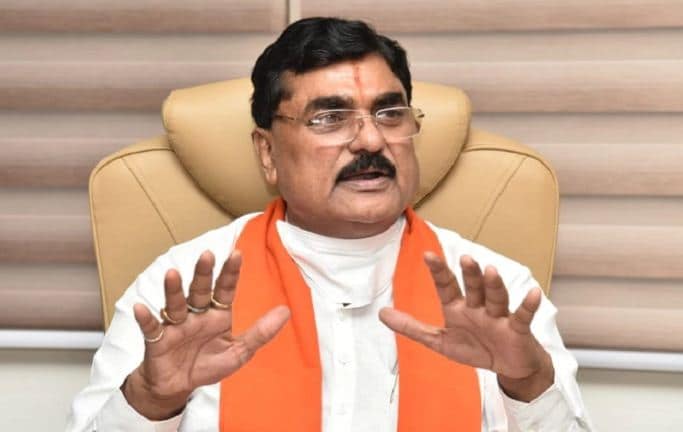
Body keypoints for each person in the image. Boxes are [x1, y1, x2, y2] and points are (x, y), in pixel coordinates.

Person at [68, 17, 592, 431]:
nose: (371, 140)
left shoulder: (494, 292)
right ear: (267, 153)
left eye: (390, 114)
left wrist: (529, 383)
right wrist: (151, 400)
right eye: (329, 118)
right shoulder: (182, 290)